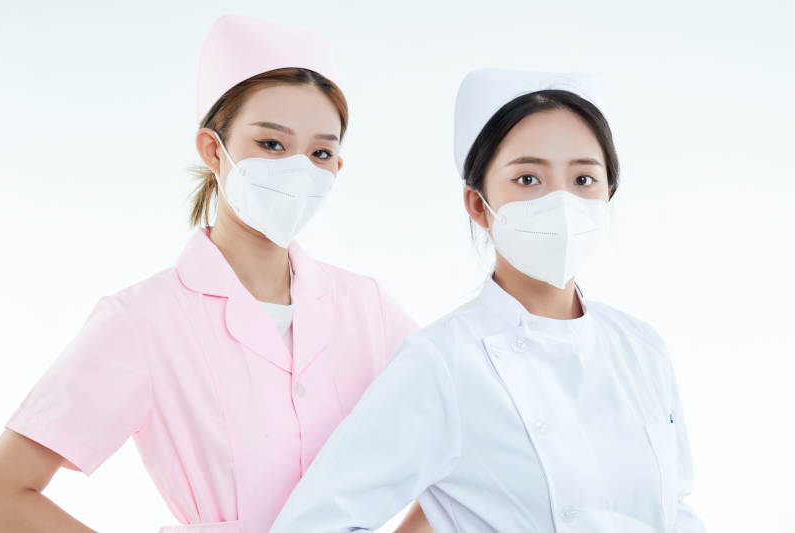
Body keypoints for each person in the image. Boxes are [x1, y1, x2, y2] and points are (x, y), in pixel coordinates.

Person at [0, 14, 432, 533]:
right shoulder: (143, 320)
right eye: (271, 144)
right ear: (212, 150)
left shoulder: (369, 308)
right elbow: (4, 492)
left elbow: (472, 445)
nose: (298, 169)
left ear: (337, 167)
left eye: (320, 152)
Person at [269, 68, 707, 532]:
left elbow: (674, 508)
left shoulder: (641, 347)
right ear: (478, 205)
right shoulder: (443, 361)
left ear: (607, 196)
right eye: (528, 179)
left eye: (583, 179)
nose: (561, 203)